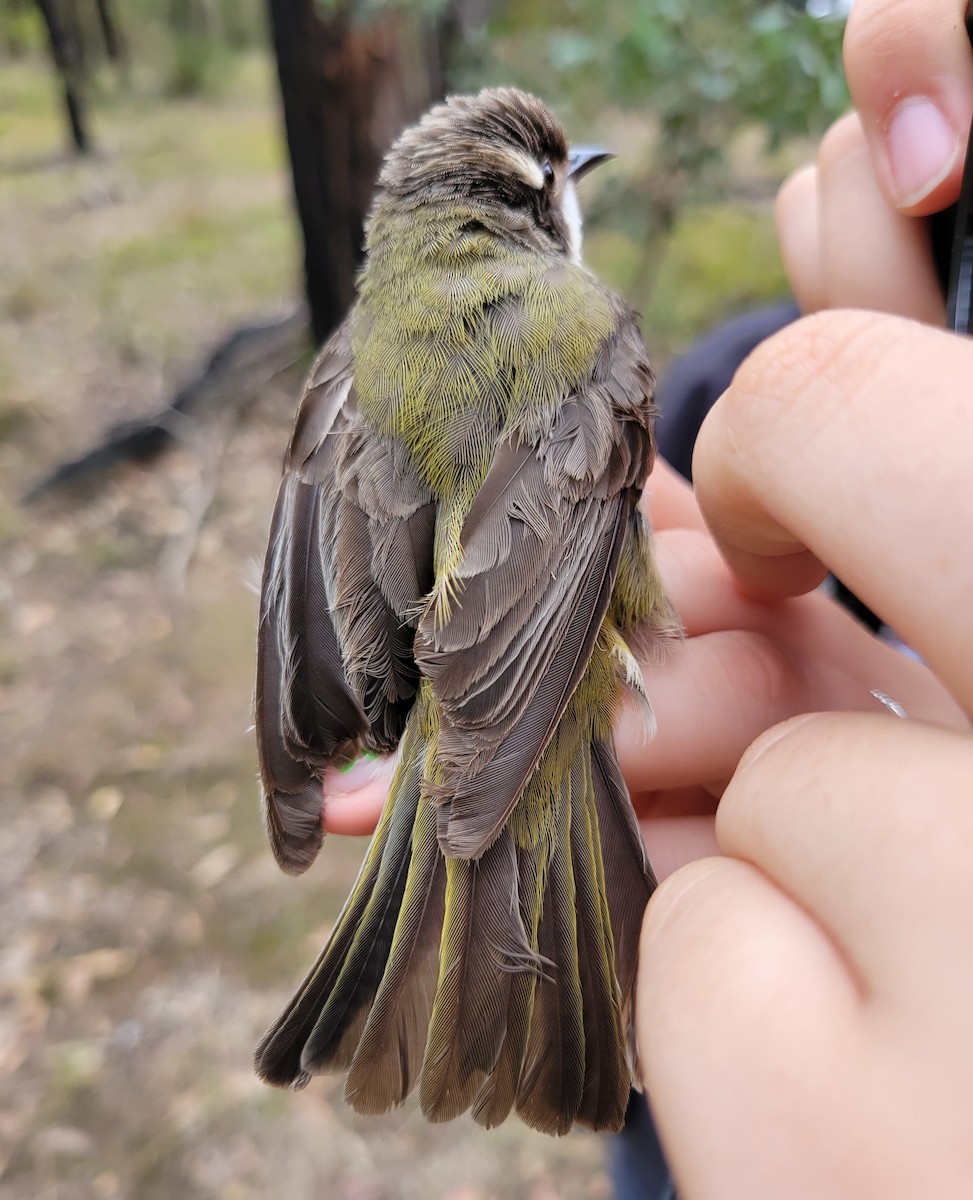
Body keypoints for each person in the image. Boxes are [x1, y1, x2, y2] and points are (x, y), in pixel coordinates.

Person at [321, 0, 973, 1192]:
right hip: (543, 671)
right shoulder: (594, 333)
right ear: (527, 211)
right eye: (557, 176)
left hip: (488, 678)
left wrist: (433, 703)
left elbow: (329, 544)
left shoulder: (367, 347)